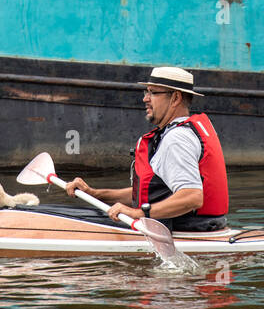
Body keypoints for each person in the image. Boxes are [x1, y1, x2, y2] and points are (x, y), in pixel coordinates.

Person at [63, 67, 229, 233]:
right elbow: (150, 193)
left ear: (175, 98)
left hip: (183, 231)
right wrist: (95, 193)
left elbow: (192, 197)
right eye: (146, 92)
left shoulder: (176, 139)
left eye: (153, 92)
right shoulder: (181, 132)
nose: (145, 99)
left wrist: (137, 213)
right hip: (206, 226)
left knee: (61, 217)